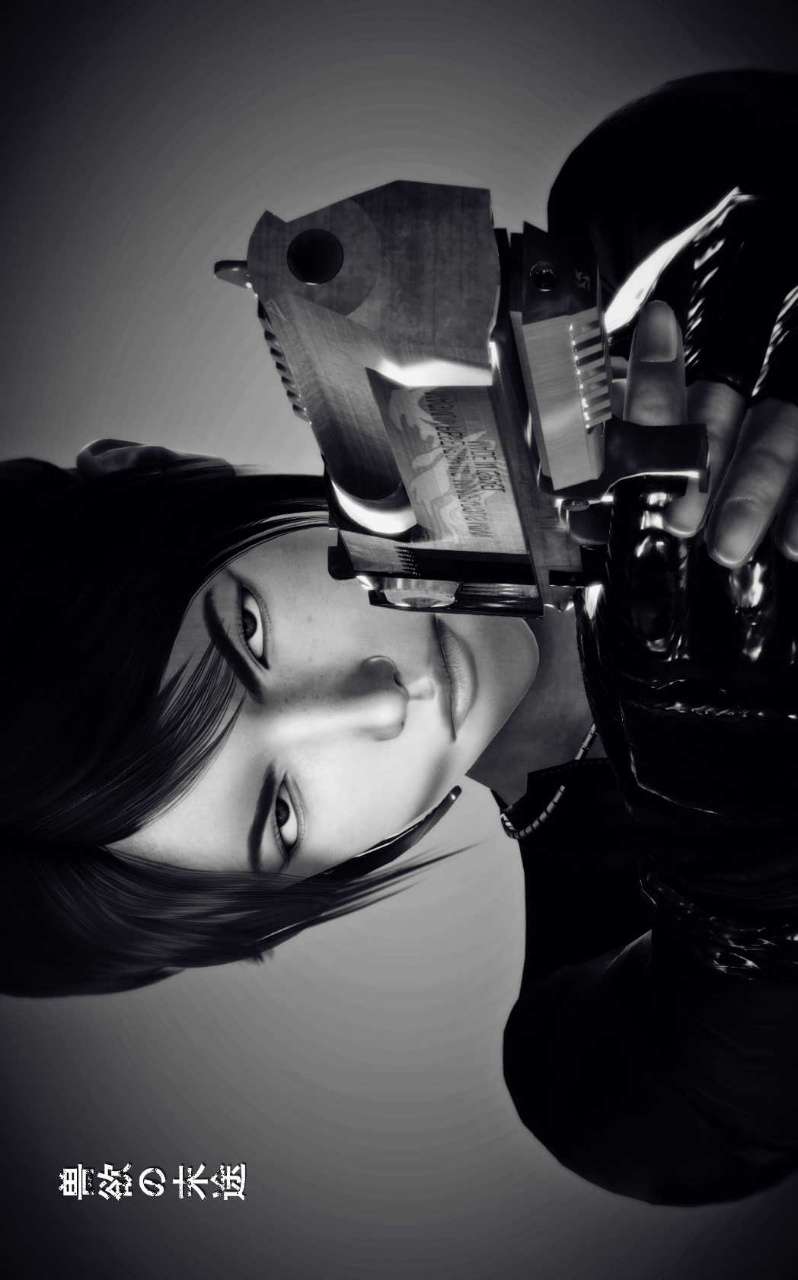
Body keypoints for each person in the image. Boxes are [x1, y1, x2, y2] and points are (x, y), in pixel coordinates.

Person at [2, 69, 798, 1205]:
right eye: (281, 811)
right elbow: (715, 1095)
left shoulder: (652, 212)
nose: (377, 703)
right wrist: (755, 862)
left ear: (175, 474)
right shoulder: (614, 1070)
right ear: (286, 903)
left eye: (251, 631)